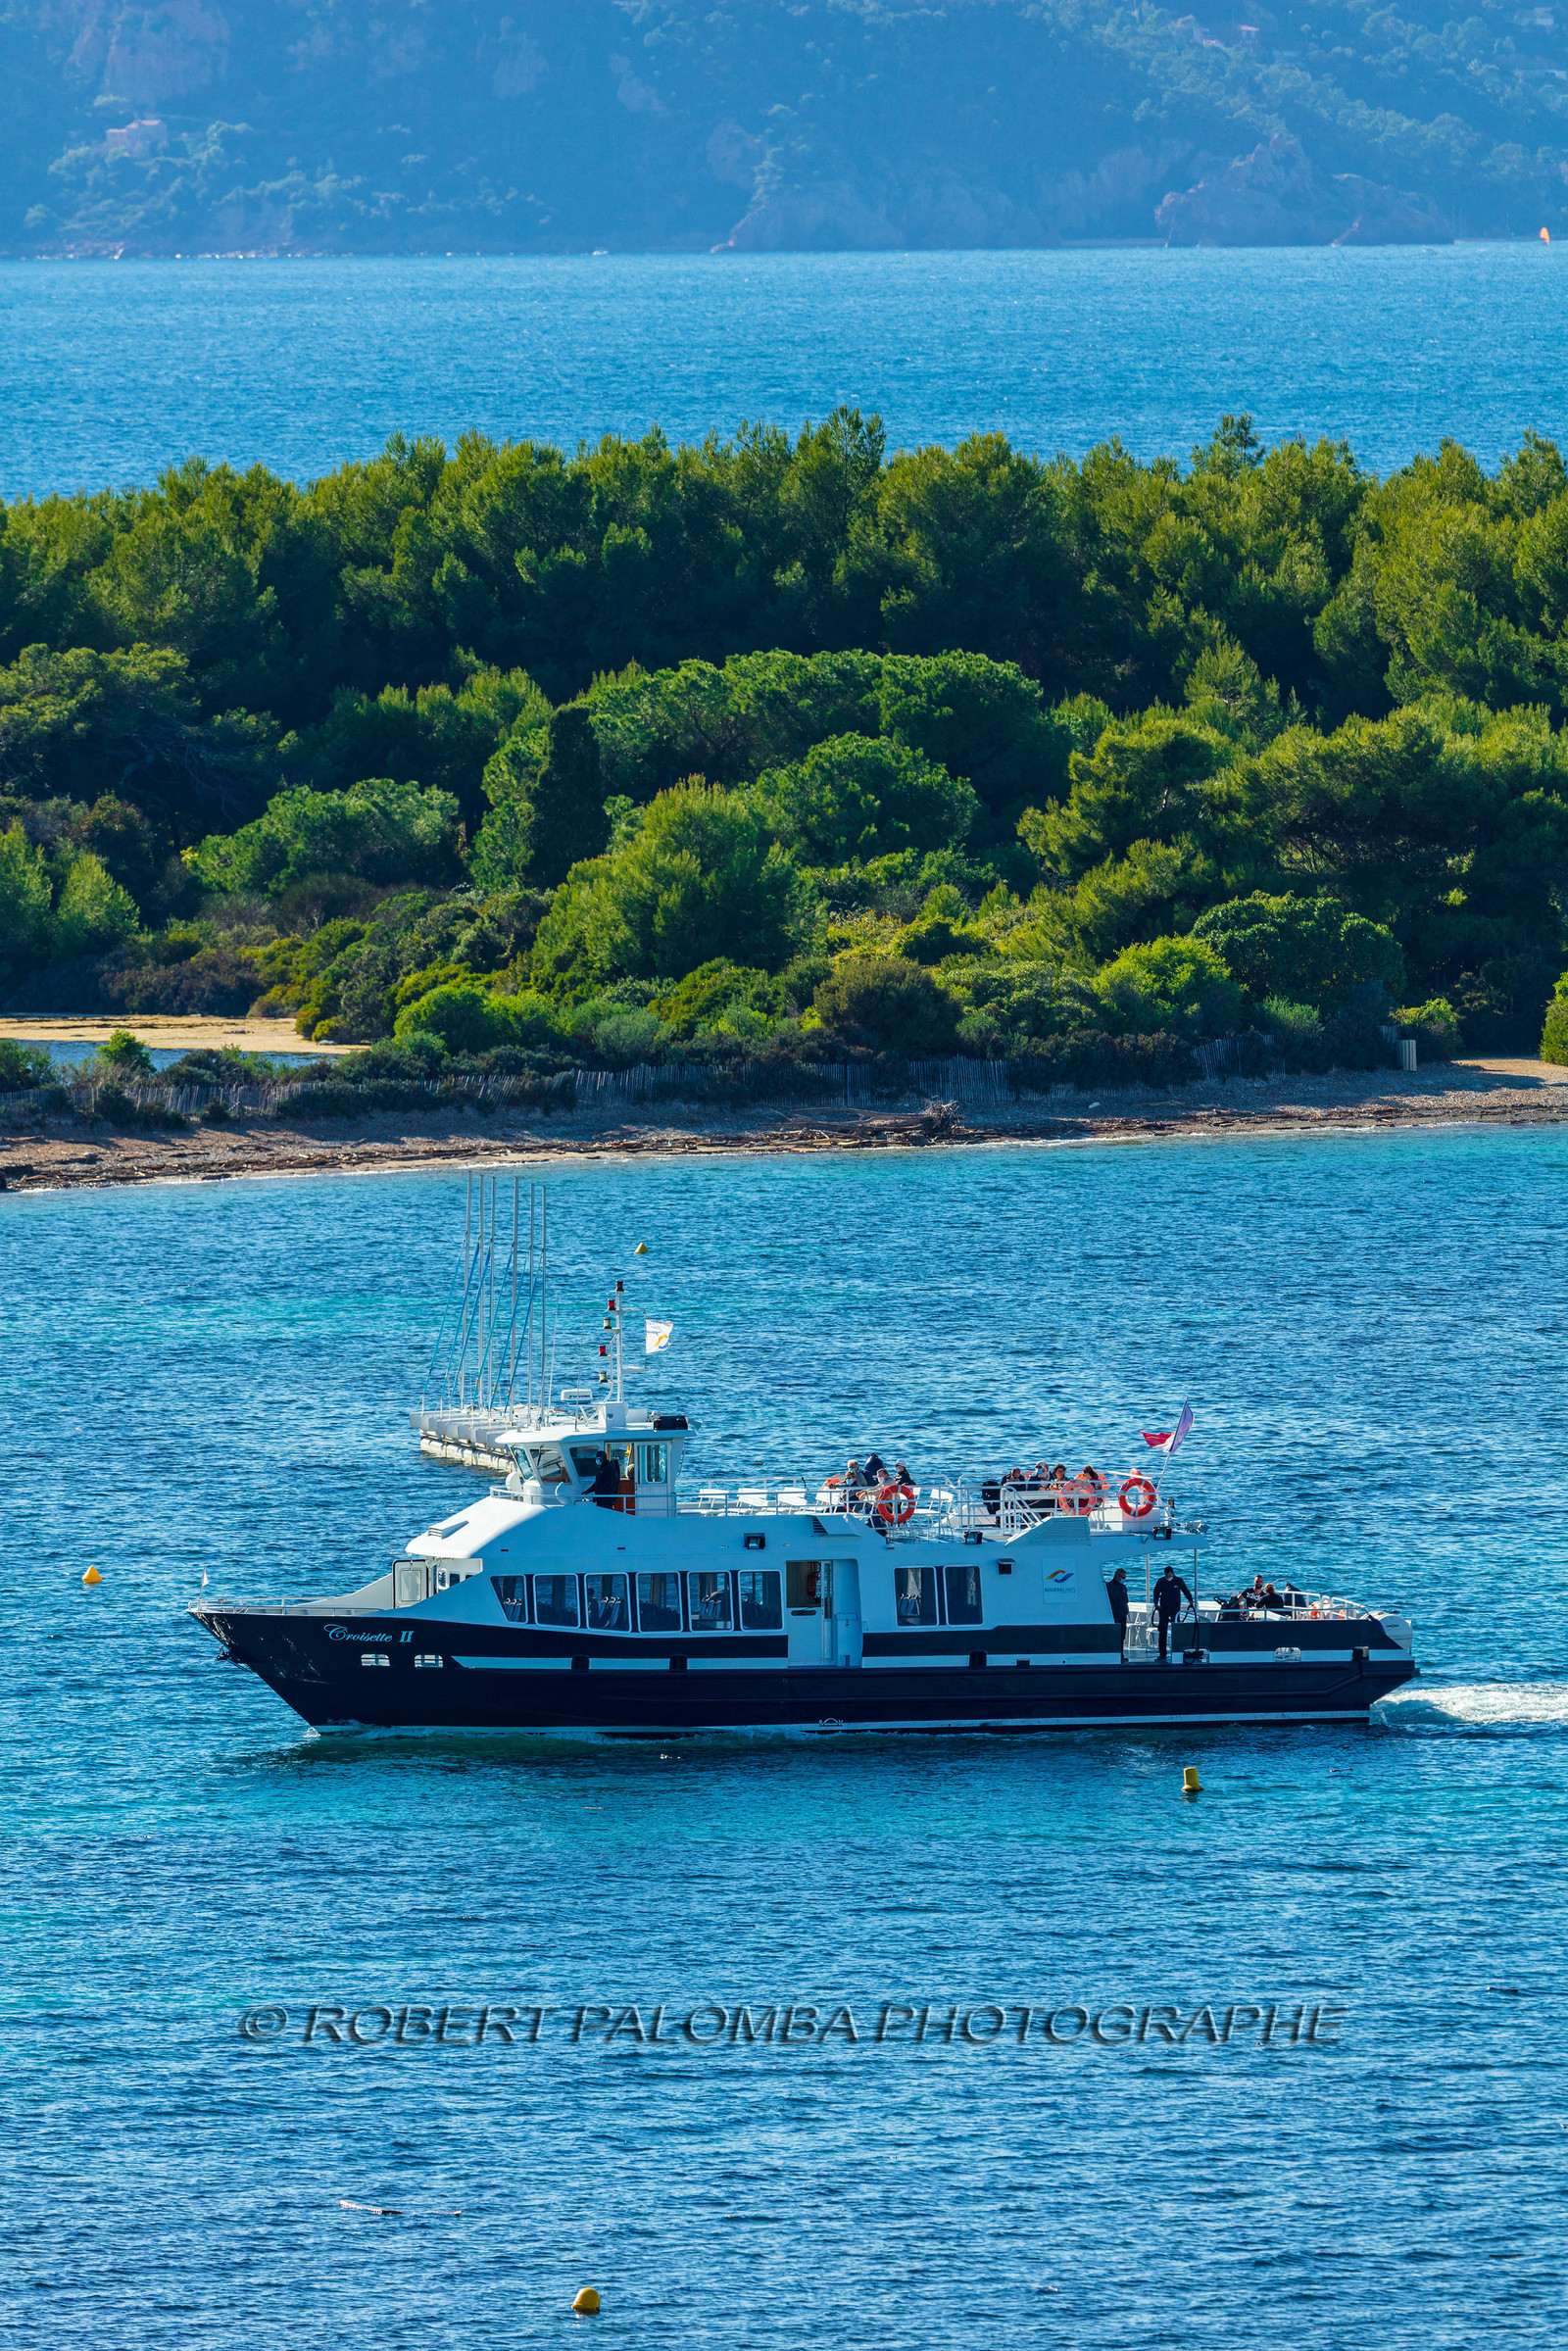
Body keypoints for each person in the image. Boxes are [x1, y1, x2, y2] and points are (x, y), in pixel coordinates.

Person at [1152, 1560, 1195, 1662]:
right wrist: (1156, 1603)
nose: (1168, 1576)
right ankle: (1162, 1654)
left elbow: (1185, 1590)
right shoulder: (1161, 1581)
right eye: (1166, 1574)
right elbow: (1156, 1592)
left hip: (1175, 1609)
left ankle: (1178, 1651)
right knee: (1162, 1631)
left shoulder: (1178, 1580)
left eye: (1169, 1574)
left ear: (1172, 1573)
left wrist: (1190, 1600)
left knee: (1177, 1630)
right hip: (1164, 1609)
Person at [1105, 1566, 1130, 1662]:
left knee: (1122, 1636)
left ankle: (1121, 1654)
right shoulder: (1109, 1586)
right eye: (1123, 1578)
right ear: (1118, 1576)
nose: (1124, 1580)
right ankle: (1114, 1655)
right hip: (1114, 1615)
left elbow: (1126, 1601)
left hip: (1122, 1614)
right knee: (1115, 1636)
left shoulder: (1123, 1587)